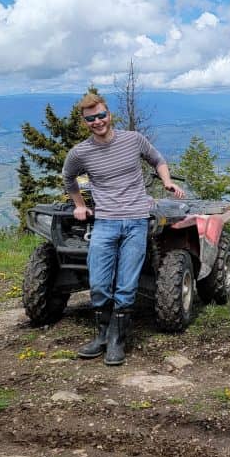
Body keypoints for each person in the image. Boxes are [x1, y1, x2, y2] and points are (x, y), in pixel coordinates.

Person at [62, 92, 184, 365]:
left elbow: (157, 159)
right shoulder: (81, 152)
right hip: (105, 222)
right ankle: (102, 336)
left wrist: (166, 181)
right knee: (99, 283)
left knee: (127, 284)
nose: (97, 121)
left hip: (136, 221)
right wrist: (79, 205)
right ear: (84, 122)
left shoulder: (133, 139)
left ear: (109, 115)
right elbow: (68, 177)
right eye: (90, 118)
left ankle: (118, 340)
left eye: (101, 115)